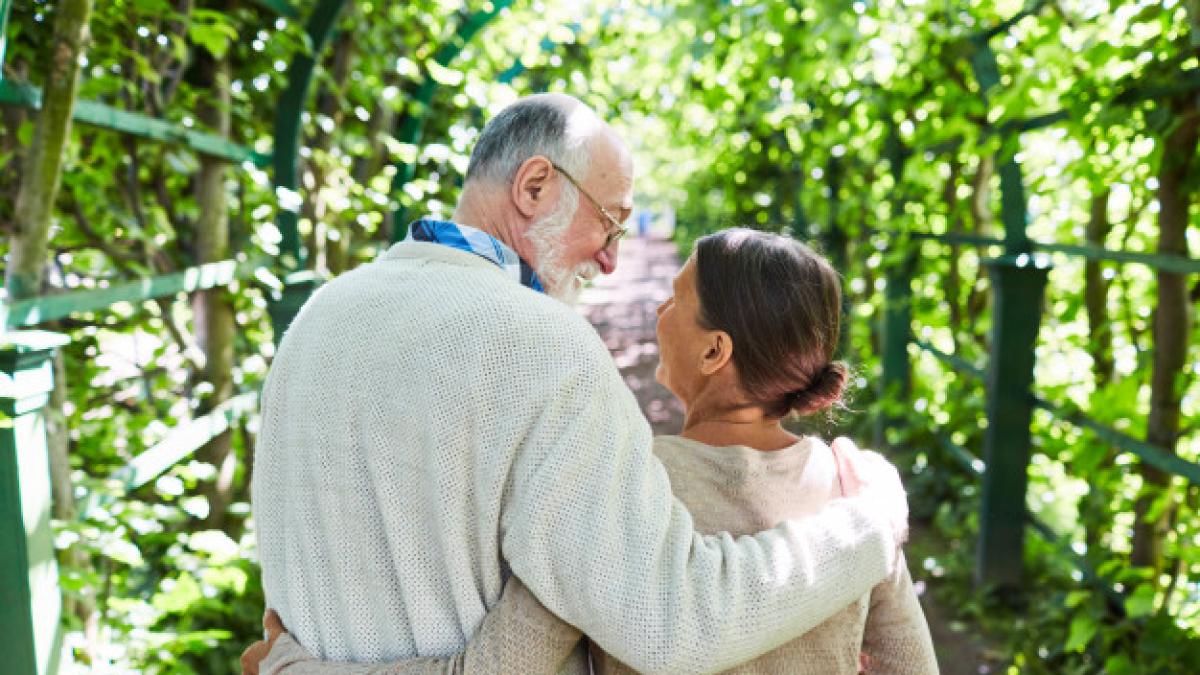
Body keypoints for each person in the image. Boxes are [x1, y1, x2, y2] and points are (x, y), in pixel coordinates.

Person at [250, 93, 910, 674]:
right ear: (535, 186)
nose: (612, 258)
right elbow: (670, 621)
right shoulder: (545, 344)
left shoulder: (317, 317)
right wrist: (870, 524)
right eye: (609, 221)